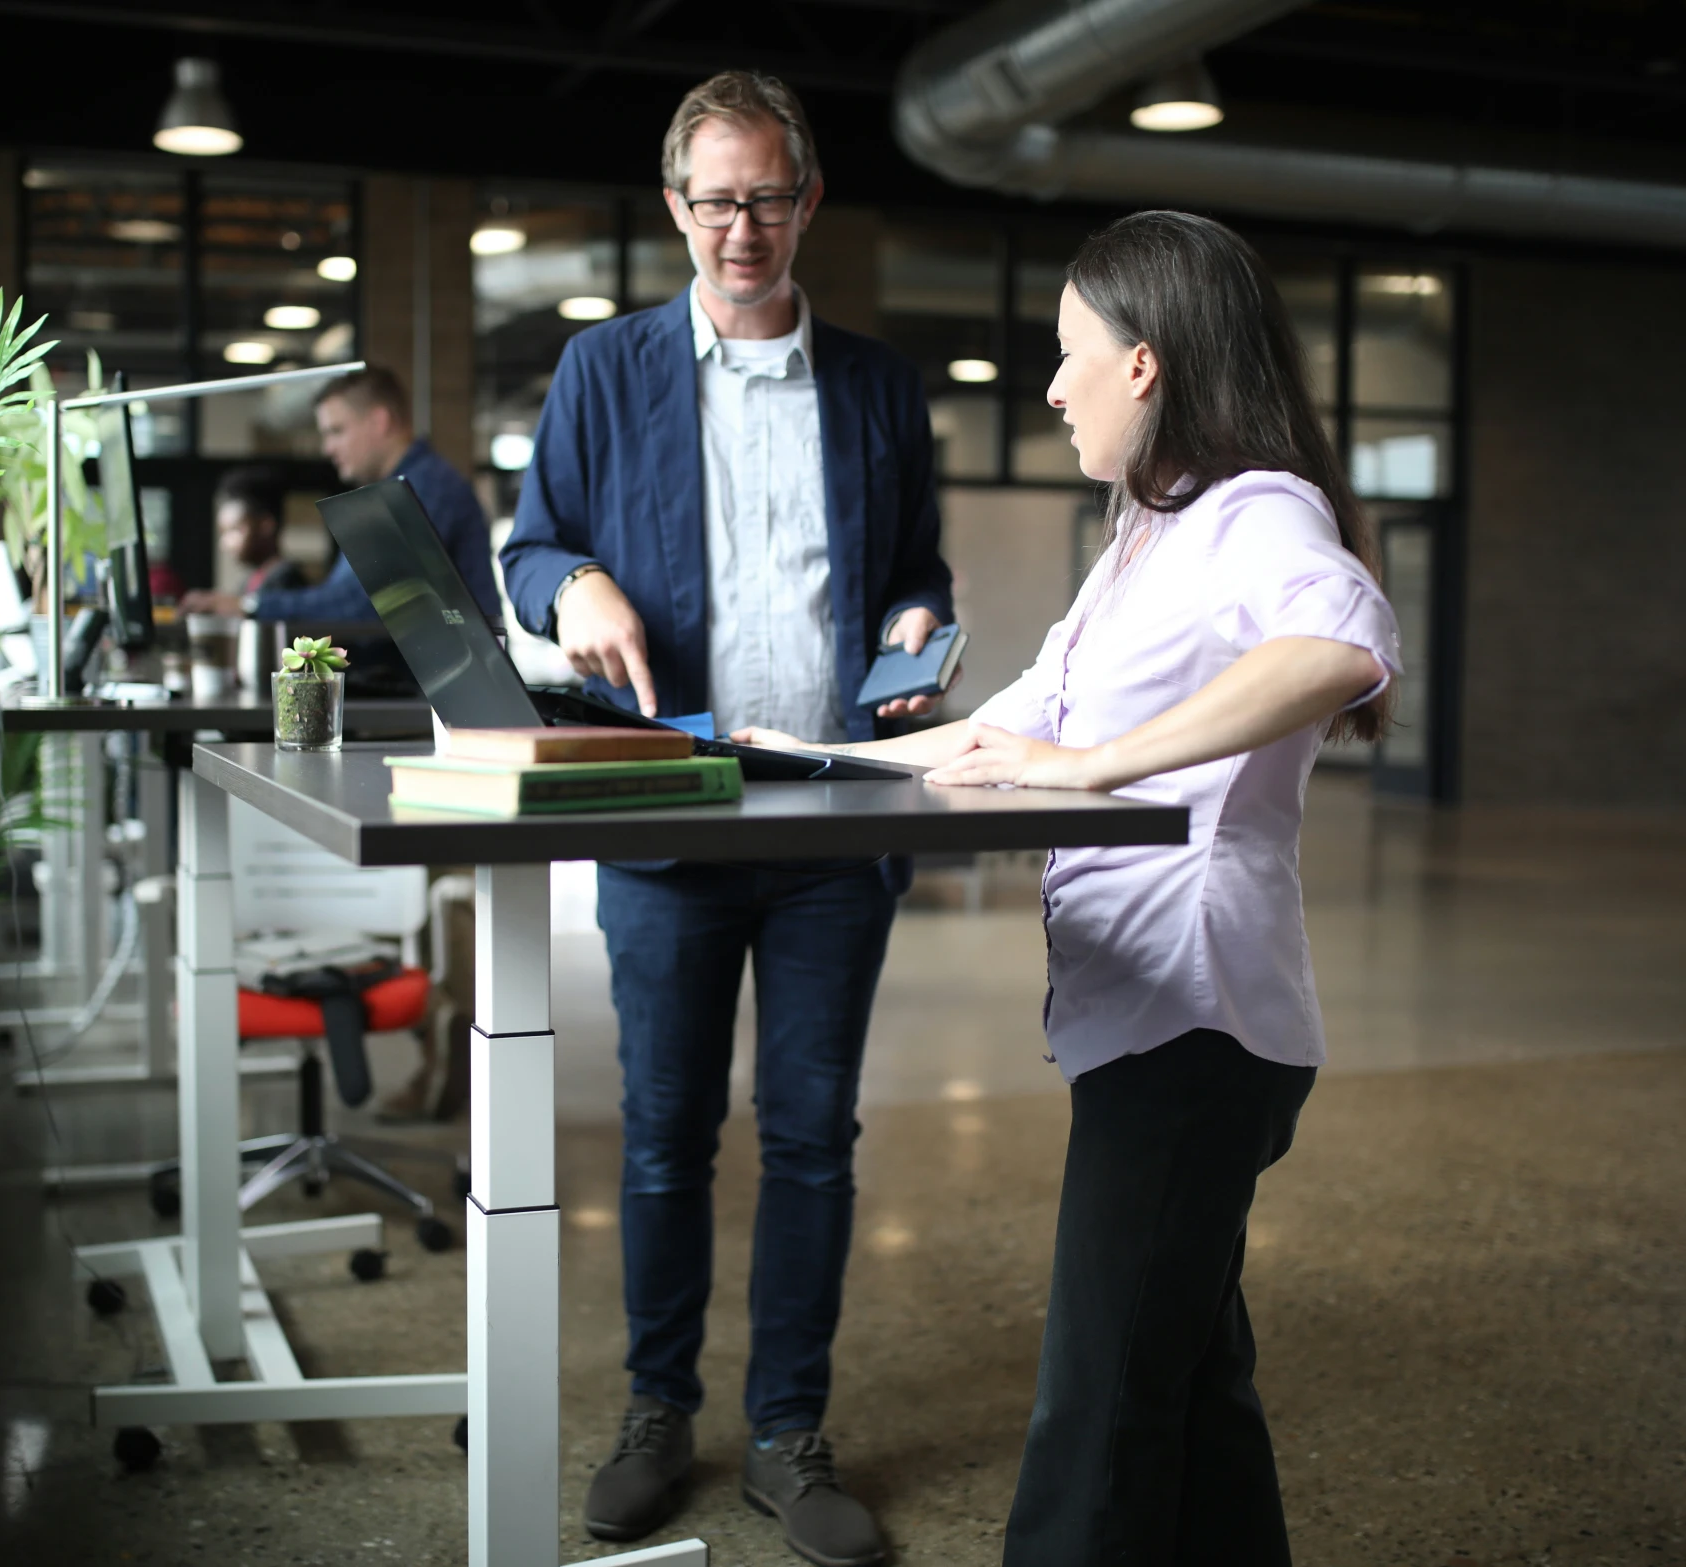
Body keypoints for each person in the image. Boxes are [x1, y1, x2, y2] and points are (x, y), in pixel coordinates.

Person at [734, 209, 1401, 1564]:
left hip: (1196, 1020)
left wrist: (1095, 765)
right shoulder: (1144, 540)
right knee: (1188, 1382)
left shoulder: (1255, 510)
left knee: (1095, 1408)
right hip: (1150, 1019)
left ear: (1143, 363)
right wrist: (804, 757)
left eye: (1064, 352)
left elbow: (1338, 641)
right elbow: (1007, 721)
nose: (1048, 385)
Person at [501, 70, 955, 1567]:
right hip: (670, 802)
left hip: (828, 815)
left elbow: (920, 575)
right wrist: (571, 583)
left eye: (766, 195)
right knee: (660, 1136)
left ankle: (784, 1429)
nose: (739, 227)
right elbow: (529, 551)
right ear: (675, 208)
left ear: (806, 200)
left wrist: (911, 620)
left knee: (811, 1134)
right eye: (713, 199)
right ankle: (653, 1413)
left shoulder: (882, 387)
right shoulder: (604, 370)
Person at [182, 364, 501, 624]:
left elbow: (359, 606)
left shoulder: (421, 490)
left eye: (336, 431)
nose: (328, 448)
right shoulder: (400, 490)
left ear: (380, 421)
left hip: (433, 699)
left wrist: (249, 606)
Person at [179, 464, 304, 615]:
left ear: (266, 525)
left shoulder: (286, 580)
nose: (224, 544)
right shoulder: (251, 581)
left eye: (234, 530)